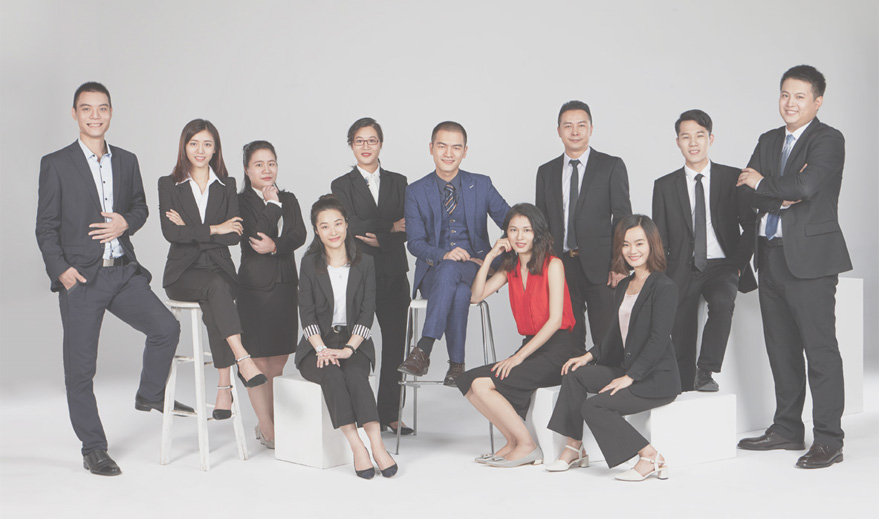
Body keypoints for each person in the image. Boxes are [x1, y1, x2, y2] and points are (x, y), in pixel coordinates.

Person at [36, 82, 188, 476]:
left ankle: (149, 394)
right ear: (74, 114)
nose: (95, 115)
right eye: (86, 108)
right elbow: (46, 226)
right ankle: (94, 448)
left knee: (166, 328)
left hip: (122, 271)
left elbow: (140, 207)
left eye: (102, 108)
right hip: (81, 280)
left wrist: (125, 223)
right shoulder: (56, 163)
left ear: (110, 112)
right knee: (80, 370)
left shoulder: (127, 160)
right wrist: (61, 270)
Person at [736, 65, 850, 469]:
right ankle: (786, 428)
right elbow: (744, 192)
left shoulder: (828, 140)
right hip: (769, 256)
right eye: (785, 94)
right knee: (781, 349)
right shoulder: (768, 140)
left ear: (817, 102)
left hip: (811, 261)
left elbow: (806, 186)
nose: (790, 103)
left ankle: (829, 439)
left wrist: (765, 184)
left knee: (820, 352)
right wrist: (778, 192)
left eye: (800, 96)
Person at [546, 214, 681, 481]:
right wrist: (588, 356)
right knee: (574, 373)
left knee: (594, 407)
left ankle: (650, 456)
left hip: (655, 379)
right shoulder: (624, 285)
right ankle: (574, 447)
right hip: (627, 367)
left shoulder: (665, 287)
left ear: (652, 244)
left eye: (639, 243)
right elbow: (614, 335)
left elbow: (658, 339)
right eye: (626, 244)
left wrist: (630, 377)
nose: (632, 251)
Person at [159, 119, 268, 425]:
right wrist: (215, 228)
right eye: (194, 143)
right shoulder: (168, 184)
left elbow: (234, 236)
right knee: (215, 289)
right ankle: (241, 362)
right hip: (182, 274)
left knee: (215, 293)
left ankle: (224, 388)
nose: (200, 150)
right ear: (184, 146)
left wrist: (193, 230)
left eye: (207, 144)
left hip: (219, 271)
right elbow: (171, 233)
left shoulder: (227, 185)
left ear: (216, 149)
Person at [459, 203, 580, 467]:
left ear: (537, 233)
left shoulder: (553, 265)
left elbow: (555, 321)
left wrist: (518, 358)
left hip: (557, 350)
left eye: (526, 230)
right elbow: (476, 296)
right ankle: (512, 441)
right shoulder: (509, 268)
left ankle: (527, 445)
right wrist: (490, 257)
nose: (520, 236)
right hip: (531, 346)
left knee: (483, 384)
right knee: (468, 381)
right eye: (513, 230)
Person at [398, 121, 510, 386]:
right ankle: (457, 366)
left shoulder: (481, 184)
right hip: (433, 272)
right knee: (458, 290)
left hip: (473, 267)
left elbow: (512, 221)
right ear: (431, 148)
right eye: (442, 146)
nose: (449, 153)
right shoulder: (415, 190)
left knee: (455, 275)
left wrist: (496, 258)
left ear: (465, 151)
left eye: (456, 147)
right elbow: (415, 243)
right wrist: (443, 255)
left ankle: (423, 349)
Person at [652, 109, 757, 392]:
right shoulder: (664, 186)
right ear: (678, 142)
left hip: (723, 265)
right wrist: (661, 277)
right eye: (686, 137)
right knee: (681, 323)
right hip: (681, 267)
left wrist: (737, 265)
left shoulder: (732, 177)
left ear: (710, 139)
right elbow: (659, 238)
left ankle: (706, 371)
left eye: (699, 136)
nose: (693, 143)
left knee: (722, 302)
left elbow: (751, 225)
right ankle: (682, 385)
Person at [295, 195, 398, 479]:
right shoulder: (309, 263)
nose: (333, 231)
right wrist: (321, 349)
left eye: (338, 223)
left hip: (355, 344)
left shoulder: (365, 263)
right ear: (316, 231)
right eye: (325, 226)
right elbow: (307, 314)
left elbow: (367, 313)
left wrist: (349, 349)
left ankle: (377, 446)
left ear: (347, 224)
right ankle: (357, 447)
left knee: (355, 376)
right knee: (332, 375)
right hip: (316, 345)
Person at [331, 118, 412, 435]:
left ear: (381, 143)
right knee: (354, 343)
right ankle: (357, 414)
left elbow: (411, 226)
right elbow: (349, 225)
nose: (366, 146)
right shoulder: (341, 185)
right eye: (359, 141)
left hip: (393, 274)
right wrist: (390, 226)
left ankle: (390, 413)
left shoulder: (399, 182)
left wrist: (383, 237)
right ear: (351, 145)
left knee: (396, 345)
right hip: (358, 275)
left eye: (372, 140)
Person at [535, 100, 632, 351]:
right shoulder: (546, 172)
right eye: (568, 126)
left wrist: (620, 264)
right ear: (559, 131)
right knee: (568, 337)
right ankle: (574, 375)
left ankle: (608, 376)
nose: (575, 131)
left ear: (591, 128)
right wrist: (543, 265)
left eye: (581, 125)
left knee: (607, 336)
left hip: (602, 266)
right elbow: (540, 224)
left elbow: (623, 218)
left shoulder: (611, 166)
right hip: (560, 265)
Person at [237, 140, 307, 448]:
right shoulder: (238, 202)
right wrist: (272, 206)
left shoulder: (289, 198)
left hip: (285, 286)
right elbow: (254, 238)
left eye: (271, 163)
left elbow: (299, 234)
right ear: (247, 169)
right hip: (254, 290)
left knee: (278, 361)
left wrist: (276, 245)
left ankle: (274, 421)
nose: (267, 170)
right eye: (259, 164)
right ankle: (266, 427)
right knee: (256, 362)